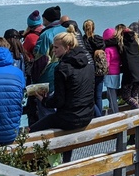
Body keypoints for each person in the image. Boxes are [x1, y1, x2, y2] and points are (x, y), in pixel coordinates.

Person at [28, 32, 95, 164]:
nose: (53, 50)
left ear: (67, 47)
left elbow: (59, 101)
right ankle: (65, 163)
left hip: (70, 118)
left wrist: (44, 100)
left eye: (56, 48)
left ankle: (42, 164)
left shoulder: (62, 68)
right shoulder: (87, 63)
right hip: (87, 115)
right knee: (64, 131)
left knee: (33, 130)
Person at [118, 25, 139, 110]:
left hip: (130, 72)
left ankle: (138, 109)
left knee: (126, 96)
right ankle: (138, 115)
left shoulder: (122, 40)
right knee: (135, 95)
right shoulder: (135, 39)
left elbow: (109, 42)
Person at [101, 27, 123, 114]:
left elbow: (107, 63)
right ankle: (113, 111)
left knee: (111, 94)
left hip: (110, 74)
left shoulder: (107, 50)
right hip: (117, 72)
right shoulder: (117, 48)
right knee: (114, 93)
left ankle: (115, 112)